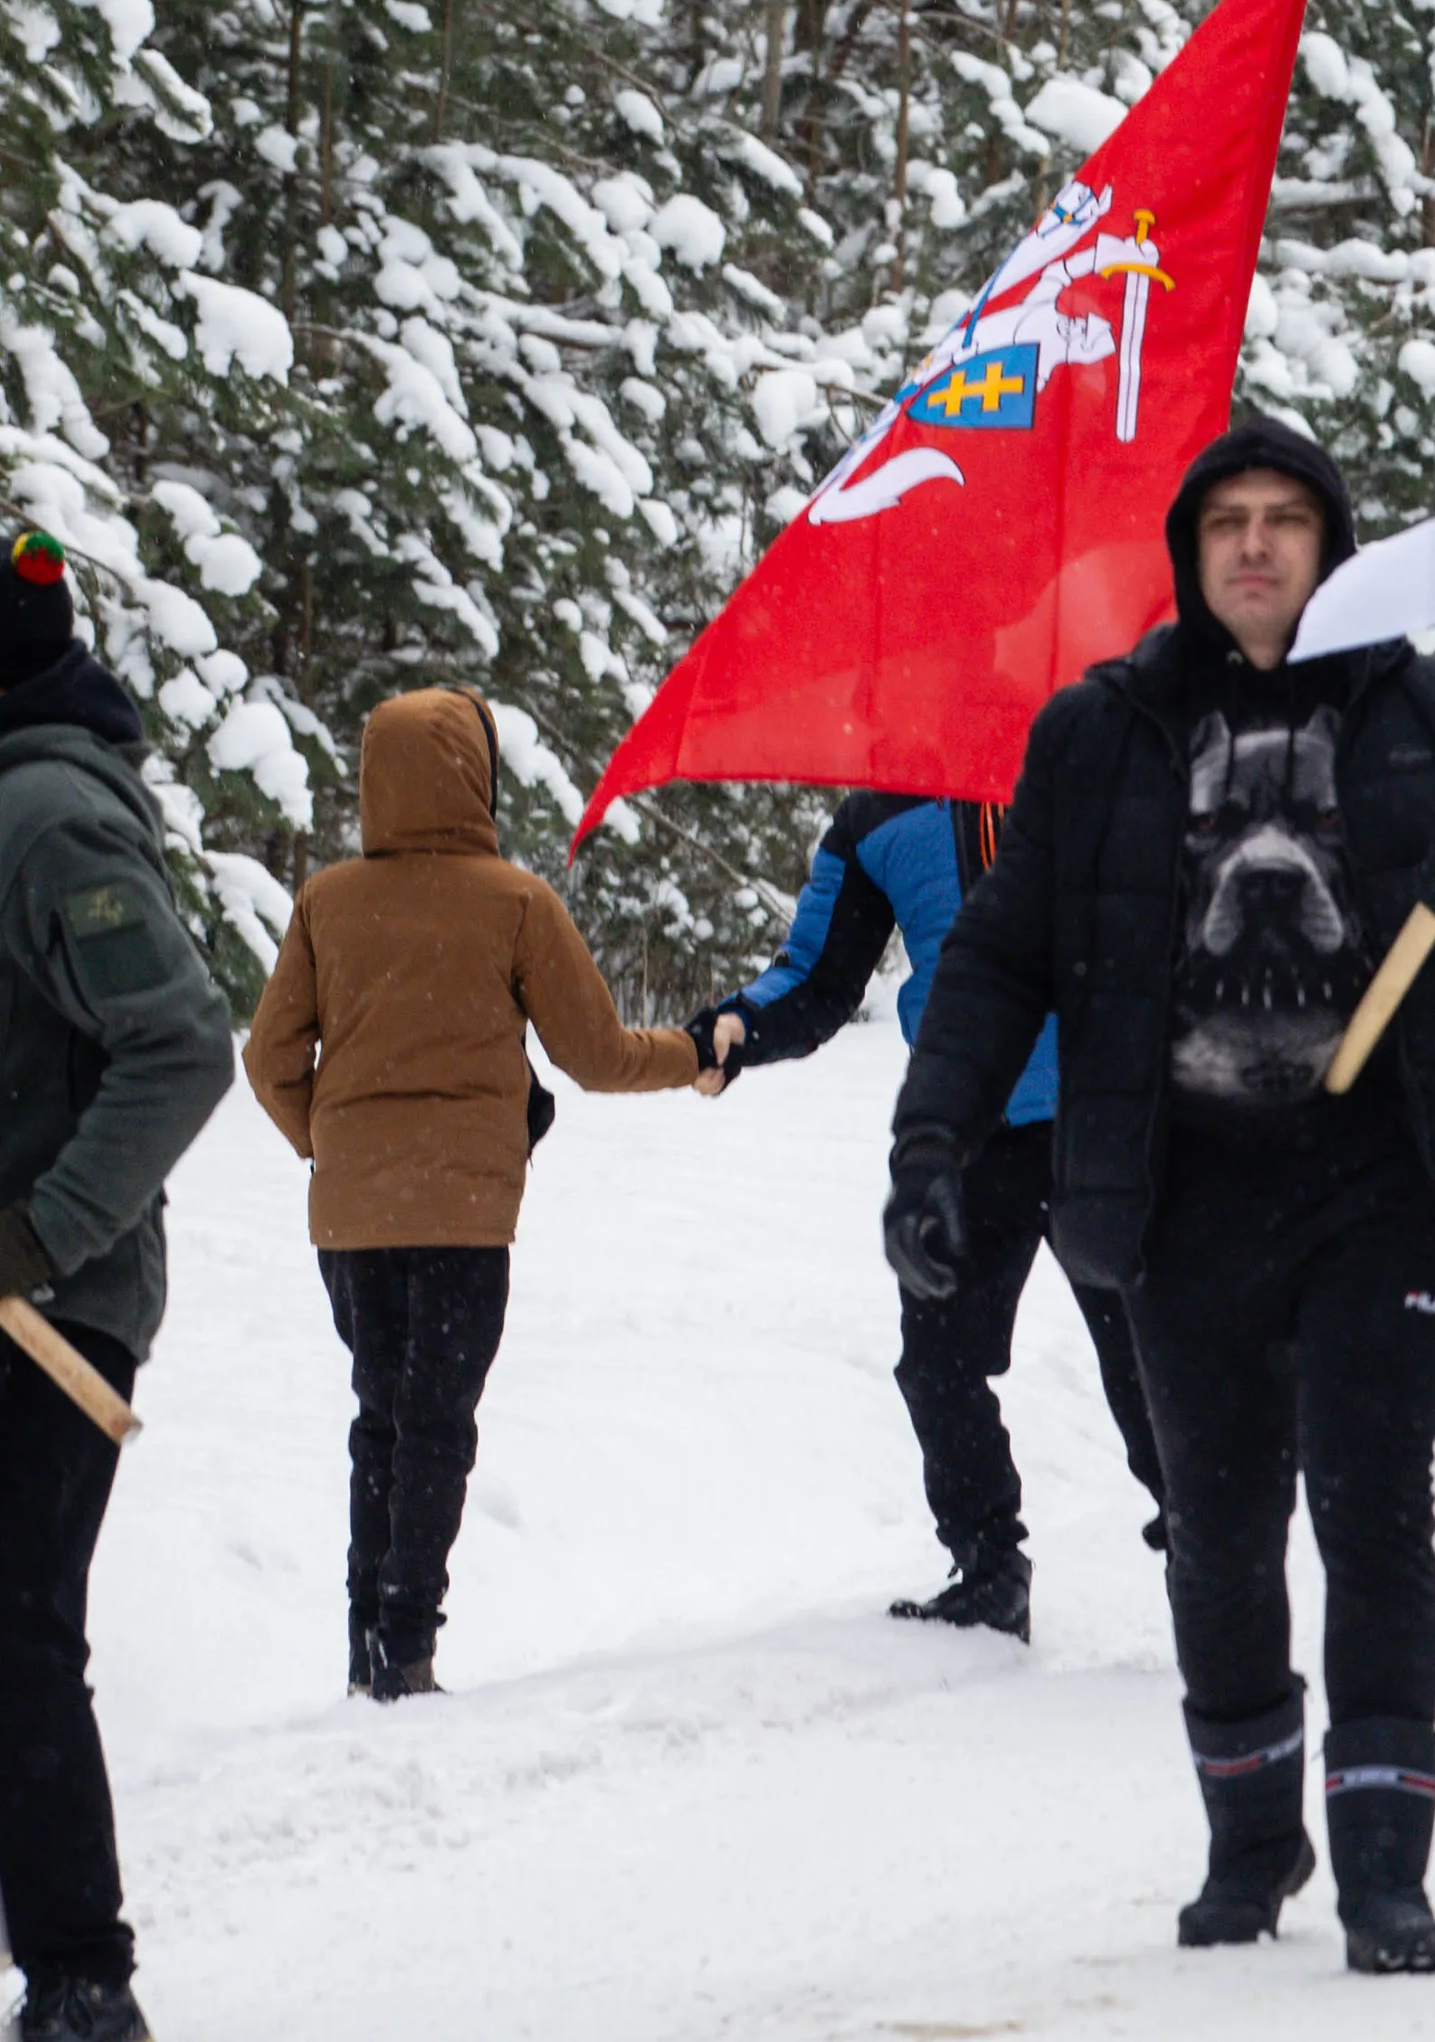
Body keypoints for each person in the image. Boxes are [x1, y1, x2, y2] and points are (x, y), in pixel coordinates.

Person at [890, 417, 1435, 1975]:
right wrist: (929, 1149)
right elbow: (1000, 955)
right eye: (1231, 524)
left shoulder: (1433, 712)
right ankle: (1248, 1837)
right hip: (1178, 1190)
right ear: (1192, 553)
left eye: (1288, 520)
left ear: (1333, 546)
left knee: (1372, 1507)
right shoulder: (1101, 734)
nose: (1259, 546)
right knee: (1214, 1527)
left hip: (1379, 1183)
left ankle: (1385, 1868)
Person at [244, 690, 715, 1703]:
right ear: (476, 775)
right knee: (436, 1424)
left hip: (354, 1222)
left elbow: (269, 1060)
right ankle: (406, 1647)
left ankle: (367, 1640)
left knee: (380, 1413)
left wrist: (333, 1147)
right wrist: (695, 1055)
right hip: (463, 1219)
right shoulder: (512, 901)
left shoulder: (327, 902)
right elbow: (593, 1054)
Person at [702, 790, 1165, 1642]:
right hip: (965, 1129)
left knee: (1152, 1360)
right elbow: (818, 976)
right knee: (938, 1363)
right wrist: (739, 1026)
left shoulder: (1095, 754)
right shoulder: (875, 817)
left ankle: (1207, 1552)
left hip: (1111, 1119)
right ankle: (990, 1569)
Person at [0, 532, 236, 2042]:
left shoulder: (46, 818)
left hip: (49, 1312)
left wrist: (43, 1230)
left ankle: (83, 1980)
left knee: (16, 1636)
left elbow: (183, 1044)